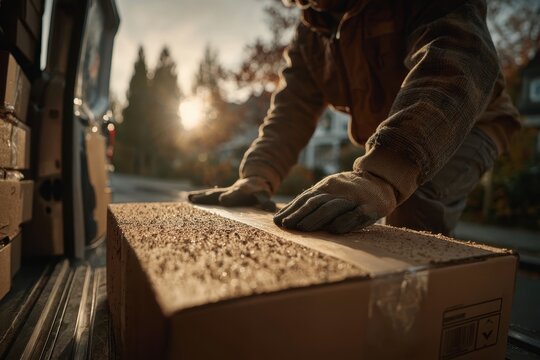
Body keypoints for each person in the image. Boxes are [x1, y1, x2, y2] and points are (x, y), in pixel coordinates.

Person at [188, 0, 520, 236]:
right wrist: (258, 176)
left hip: (471, 120)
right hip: (401, 134)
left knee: (413, 209)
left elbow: (459, 58)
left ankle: (423, 320)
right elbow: (292, 108)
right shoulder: (311, 32)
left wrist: (384, 175)